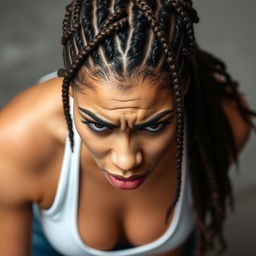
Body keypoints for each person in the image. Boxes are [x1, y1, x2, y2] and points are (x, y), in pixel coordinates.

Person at [0, 0, 255, 256]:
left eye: (154, 125)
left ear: (183, 88)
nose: (127, 160)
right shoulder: (16, 142)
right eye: (98, 125)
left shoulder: (225, 123)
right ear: (71, 89)